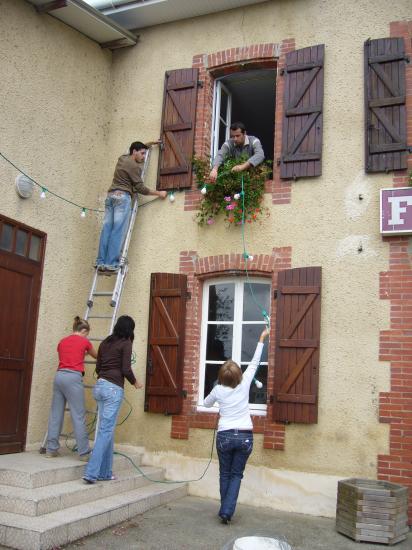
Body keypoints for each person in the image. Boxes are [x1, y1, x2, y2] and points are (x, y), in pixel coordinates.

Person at [204, 327, 270, 524]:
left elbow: (206, 403)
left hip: (224, 436)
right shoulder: (245, 382)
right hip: (244, 437)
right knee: (236, 475)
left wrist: (217, 395)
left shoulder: (217, 389)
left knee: (225, 473)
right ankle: (226, 511)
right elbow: (255, 362)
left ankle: (225, 509)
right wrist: (261, 338)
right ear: (239, 375)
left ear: (222, 377)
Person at [83, 315, 143, 483]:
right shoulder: (126, 344)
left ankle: (105, 472)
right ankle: (91, 473)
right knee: (105, 431)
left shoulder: (105, 342)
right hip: (113, 389)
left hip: (100, 387)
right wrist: (135, 382)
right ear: (130, 329)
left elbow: (99, 367)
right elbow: (125, 368)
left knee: (107, 430)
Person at [96, 141, 167, 272]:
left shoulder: (122, 158)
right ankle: (111, 264)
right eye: (142, 153)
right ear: (134, 151)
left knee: (106, 230)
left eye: (145, 154)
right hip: (122, 198)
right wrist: (159, 193)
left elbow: (135, 146)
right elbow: (141, 188)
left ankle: (100, 262)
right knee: (117, 231)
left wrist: (149, 144)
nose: (144, 157)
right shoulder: (134, 167)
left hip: (110, 197)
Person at [46, 316, 97, 460]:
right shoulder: (84, 341)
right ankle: (84, 453)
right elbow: (96, 355)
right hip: (73, 378)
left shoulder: (62, 341)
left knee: (56, 414)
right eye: (87, 333)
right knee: (78, 415)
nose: (87, 336)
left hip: (59, 376)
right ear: (84, 330)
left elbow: (68, 356)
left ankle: (51, 450)